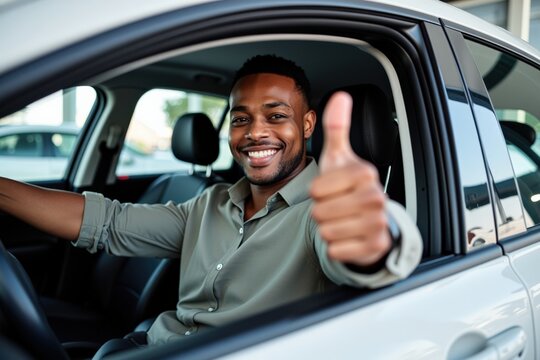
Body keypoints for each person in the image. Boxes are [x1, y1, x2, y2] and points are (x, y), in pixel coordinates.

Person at [0, 55, 422, 350]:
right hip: (155, 345)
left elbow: (364, 251)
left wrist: (376, 238)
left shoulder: (324, 213)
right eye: (241, 118)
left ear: (308, 124)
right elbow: (109, 221)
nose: (255, 132)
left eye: (276, 116)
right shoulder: (210, 202)